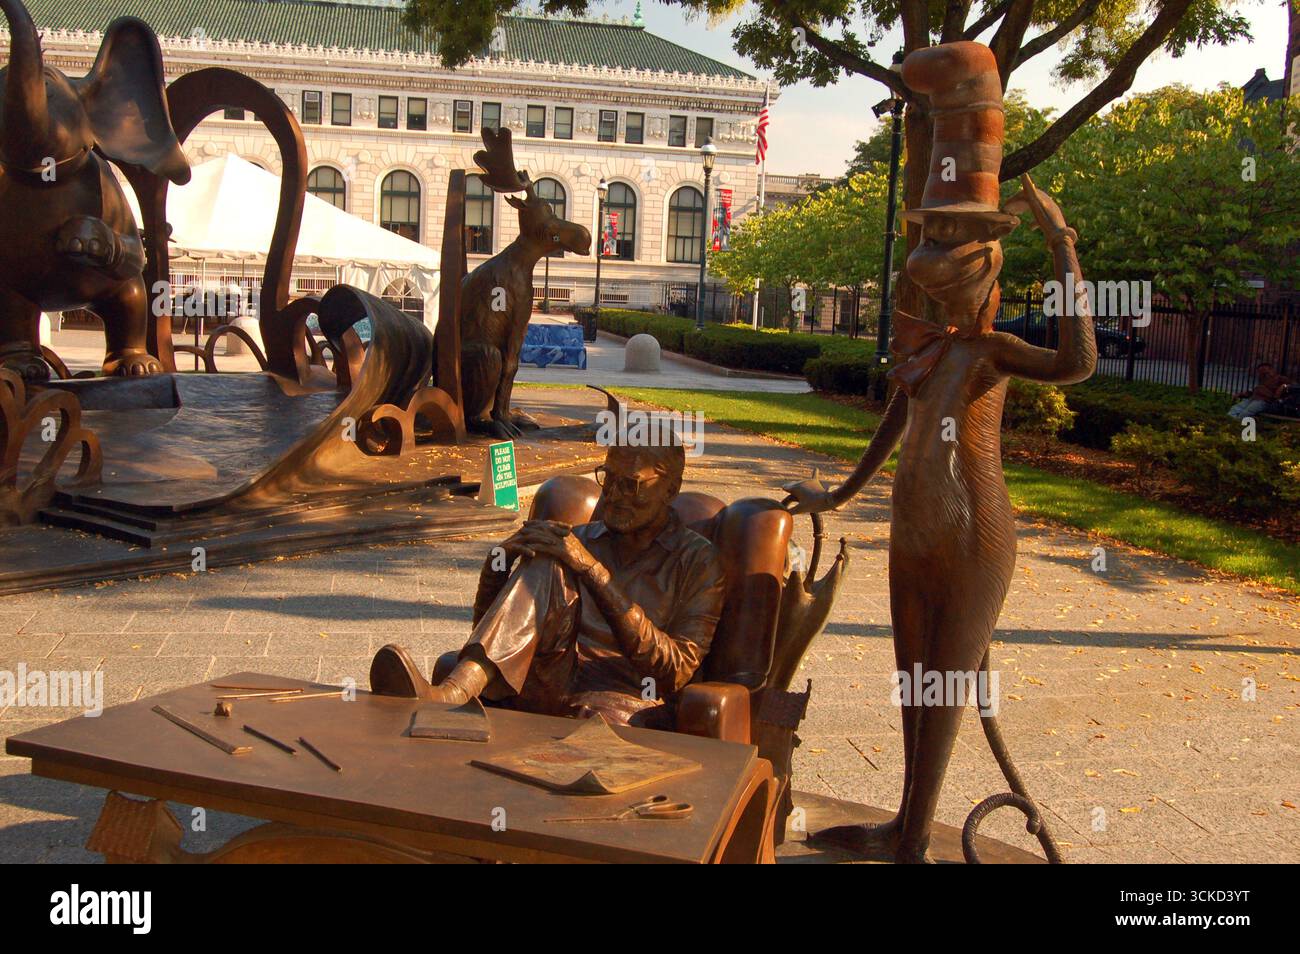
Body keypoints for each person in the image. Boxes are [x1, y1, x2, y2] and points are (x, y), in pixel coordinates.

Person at [369, 441, 726, 726]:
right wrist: (499, 564)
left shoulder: (698, 560)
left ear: (671, 489)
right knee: (547, 560)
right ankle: (450, 694)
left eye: (631, 485)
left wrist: (593, 572)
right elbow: (497, 640)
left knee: (562, 557)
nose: (614, 495)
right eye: (608, 477)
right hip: (548, 679)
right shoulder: (577, 539)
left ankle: (450, 697)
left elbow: (677, 671)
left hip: (623, 694)